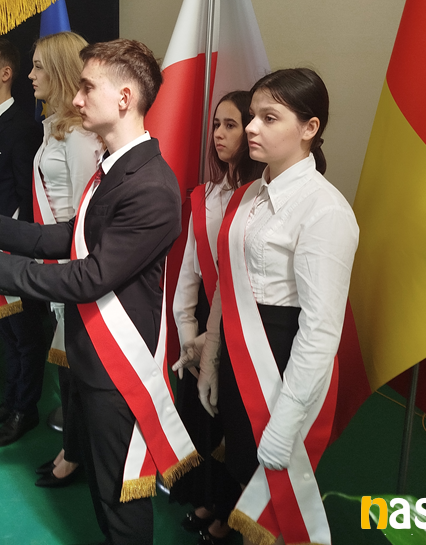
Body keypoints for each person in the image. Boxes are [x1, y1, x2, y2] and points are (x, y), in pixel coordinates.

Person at [0, 39, 198, 545]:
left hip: (119, 368)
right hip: (92, 355)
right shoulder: (116, 166)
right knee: (104, 492)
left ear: (125, 98)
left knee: (121, 499)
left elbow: (89, 276)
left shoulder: (151, 186)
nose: (77, 98)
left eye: (88, 88)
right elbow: (73, 235)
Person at [205, 69, 359, 545]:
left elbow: (320, 330)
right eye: (252, 116)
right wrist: (210, 356)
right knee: (240, 459)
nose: (251, 127)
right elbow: (228, 282)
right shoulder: (250, 193)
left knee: (273, 480)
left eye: (269, 118)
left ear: (309, 128)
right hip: (238, 347)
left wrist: (287, 421)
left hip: (281, 355)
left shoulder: (325, 210)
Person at [170, 91, 262, 544]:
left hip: (244, 325)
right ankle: (207, 498)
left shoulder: (259, 197)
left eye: (231, 125)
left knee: (235, 426)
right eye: (216, 125)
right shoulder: (205, 195)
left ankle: (229, 512)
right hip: (205, 318)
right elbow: (189, 270)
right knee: (201, 418)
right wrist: (188, 332)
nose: (220, 134)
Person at [0, 37, 53, 448]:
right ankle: (9, 401)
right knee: (6, 334)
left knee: (25, 334)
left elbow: (27, 195)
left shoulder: (23, 126)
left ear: (5, 73)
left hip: (11, 248)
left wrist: (13, 247)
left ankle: (25, 409)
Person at [27, 31, 102, 488]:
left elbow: (84, 217)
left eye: (38, 66)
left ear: (58, 71)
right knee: (66, 367)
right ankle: (72, 448)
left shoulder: (78, 137)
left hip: (72, 266)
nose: (31, 75)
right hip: (56, 263)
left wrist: (64, 275)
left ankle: (75, 455)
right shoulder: (56, 126)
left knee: (75, 368)